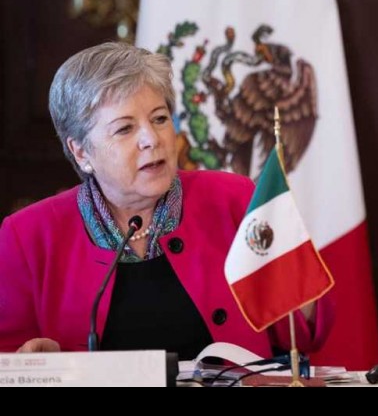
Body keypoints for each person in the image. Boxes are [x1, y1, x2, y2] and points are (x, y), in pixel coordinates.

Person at [0, 42, 333, 360]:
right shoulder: (26, 236)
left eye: (159, 119)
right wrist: (36, 360)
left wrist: (294, 276)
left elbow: (302, 334)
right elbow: (10, 356)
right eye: (125, 129)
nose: (152, 139)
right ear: (81, 151)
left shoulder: (234, 199)